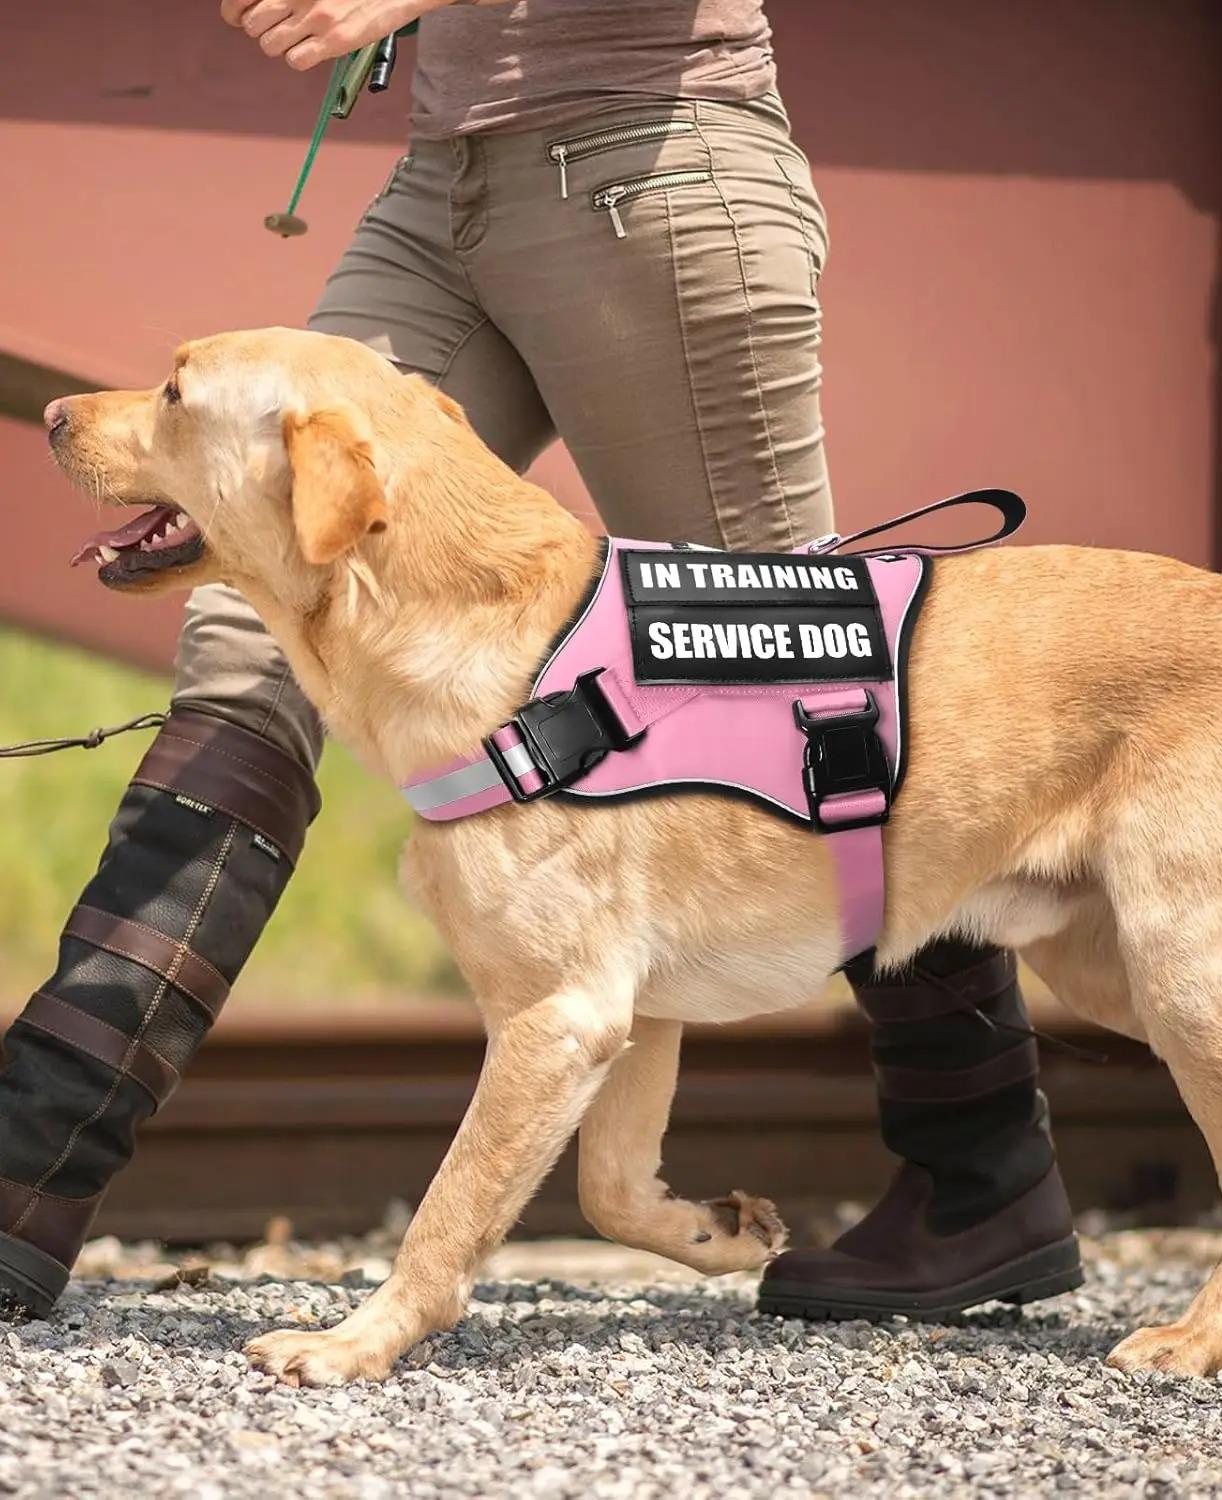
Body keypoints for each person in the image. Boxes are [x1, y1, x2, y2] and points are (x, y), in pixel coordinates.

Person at [0, 0, 1078, 1323]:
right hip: (446, 180)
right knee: (250, 623)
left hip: (651, 166)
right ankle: (24, 1174)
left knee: (803, 682)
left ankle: (984, 1180)